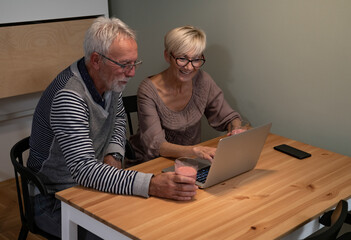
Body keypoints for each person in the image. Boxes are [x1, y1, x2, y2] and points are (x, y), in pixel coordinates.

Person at [27, 17, 197, 239]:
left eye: (134, 63)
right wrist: (151, 184)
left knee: (154, 222)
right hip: (53, 198)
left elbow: (117, 120)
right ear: (96, 60)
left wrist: (113, 155)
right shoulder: (69, 96)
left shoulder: (108, 79)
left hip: (87, 184)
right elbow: (85, 170)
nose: (132, 73)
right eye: (125, 65)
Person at [129, 25, 244, 164]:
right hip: (151, 164)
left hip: (189, 162)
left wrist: (236, 129)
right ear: (167, 56)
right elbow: (156, 145)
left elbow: (229, 117)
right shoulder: (148, 90)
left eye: (196, 59)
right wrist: (195, 151)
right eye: (182, 58)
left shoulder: (203, 80)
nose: (189, 67)